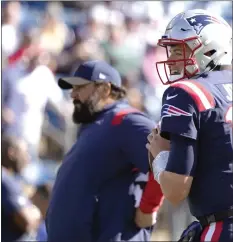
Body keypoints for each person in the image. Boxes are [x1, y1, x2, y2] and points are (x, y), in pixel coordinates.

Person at [46, 60, 164, 242]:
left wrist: (148, 208)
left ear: (105, 89)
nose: (73, 94)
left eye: (80, 87)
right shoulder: (95, 125)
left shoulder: (127, 121)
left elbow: (166, 161)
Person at [146, 9, 233, 242]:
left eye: (179, 48)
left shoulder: (186, 92)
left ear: (210, 46)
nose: (172, 58)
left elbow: (176, 190)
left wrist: (159, 156)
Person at [2, 135, 42, 241]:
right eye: (25, 153)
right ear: (12, 153)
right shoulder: (4, 180)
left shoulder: (10, 179)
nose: (28, 158)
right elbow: (26, 221)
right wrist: (38, 212)